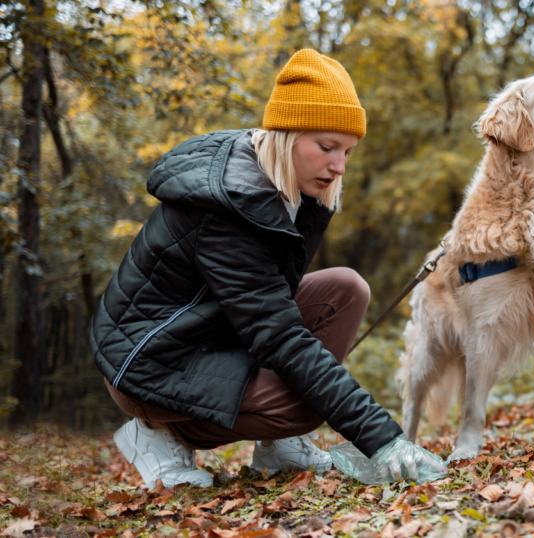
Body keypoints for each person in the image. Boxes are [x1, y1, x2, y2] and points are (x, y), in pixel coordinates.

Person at [89, 49, 441, 488]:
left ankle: (279, 448)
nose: (339, 166)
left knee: (346, 289)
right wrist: (383, 440)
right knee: (303, 406)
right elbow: (277, 334)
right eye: (327, 147)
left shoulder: (295, 191)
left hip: (211, 335)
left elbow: (271, 304)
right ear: (286, 134)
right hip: (149, 361)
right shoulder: (229, 205)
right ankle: (157, 434)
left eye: (348, 151)